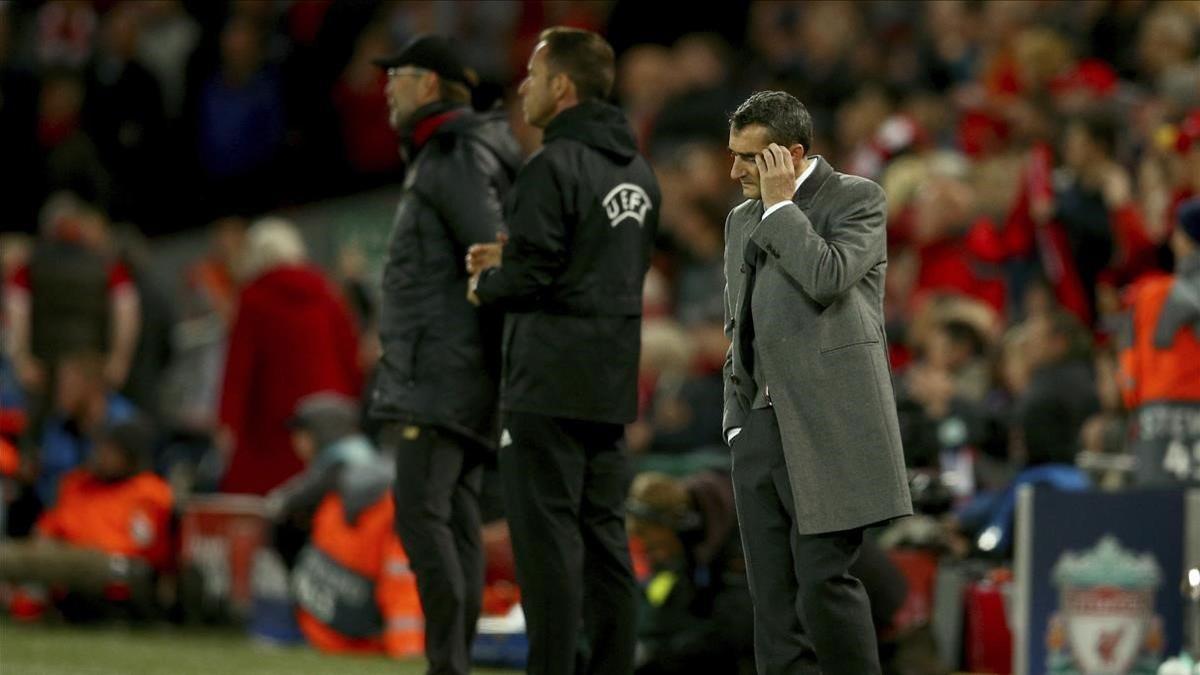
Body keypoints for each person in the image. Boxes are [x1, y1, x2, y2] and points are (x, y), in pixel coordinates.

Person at [467, 27, 660, 675]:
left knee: (546, 545)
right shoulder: (638, 170)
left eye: (532, 73)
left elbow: (534, 276)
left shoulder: (551, 165)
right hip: (609, 384)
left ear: (562, 86)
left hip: (546, 385)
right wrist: (517, 257)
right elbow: (594, 265)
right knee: (605, 543)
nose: (522, 85)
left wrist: (488, 279)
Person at [720, 90, 911, 674]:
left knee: (824, 583)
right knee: (773, 605)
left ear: (791, 153)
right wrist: (736, 420)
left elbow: (825, 276)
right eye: (733, 155)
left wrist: (780, 208)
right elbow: (738, 320)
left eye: (749, 158)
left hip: (829, 425)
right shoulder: (739, 219)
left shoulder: (857, 199)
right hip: (759, 426)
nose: (735, 171)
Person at [368, 34, 521, 675]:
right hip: (457, 367)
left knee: (423, 515)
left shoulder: (453, 154)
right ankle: (450, 662)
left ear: (428, 85)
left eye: (396, 76)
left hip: (442, 370)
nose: (385, 89)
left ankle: (447, 664)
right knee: (451, 517)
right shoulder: (455, 150)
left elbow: (491, 249)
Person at [217, 218, 361, 496]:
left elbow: (239, 371)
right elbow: (349, 351)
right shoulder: (324, 290)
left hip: (276, 425)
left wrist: (228, 423)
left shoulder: (253, 299)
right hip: (332, 410)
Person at [279, 394, 424, 659]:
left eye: (303, 433)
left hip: (348, 617)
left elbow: (284, 502)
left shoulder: (343, 461)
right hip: (356, 611)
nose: (297, 442)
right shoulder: (366, 466)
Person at [0, 416, 171, 618]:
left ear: (130, 458)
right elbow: (46, 530)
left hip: (114, 566)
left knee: (42, 560)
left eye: (111, 450)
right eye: (102, 447)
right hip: (64, 560)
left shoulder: (150, 492)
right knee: (41, 561)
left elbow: (146, 548)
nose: (101, 454)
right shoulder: (78, 483)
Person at [1118, 197, 1200, 485]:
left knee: (1160, 520)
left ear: (1184, 239)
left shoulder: (1147, 295)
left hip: (1157, 425)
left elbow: (1128, 377)